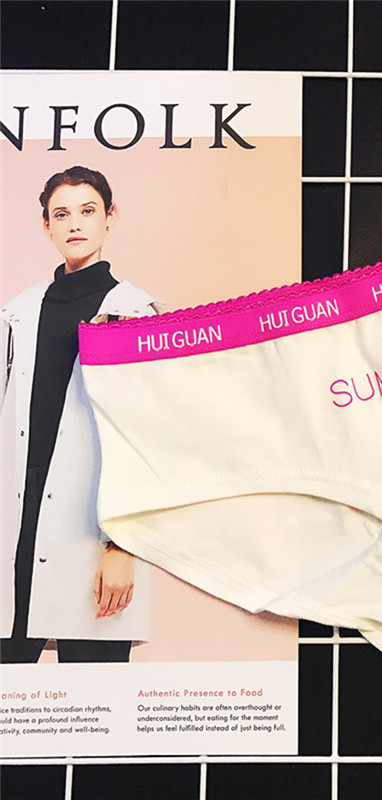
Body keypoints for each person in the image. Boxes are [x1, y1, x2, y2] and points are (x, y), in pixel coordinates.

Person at [0, 166, 160, 663]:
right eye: (62, 214)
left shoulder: (136, 313)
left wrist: (123, 547)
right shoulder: (17, 312)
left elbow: (147, 441)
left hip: (91, 527)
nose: (75, 224)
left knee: (95, 692)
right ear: (46, 225)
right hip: (15, 520)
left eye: (88, 211)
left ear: (110, 217)